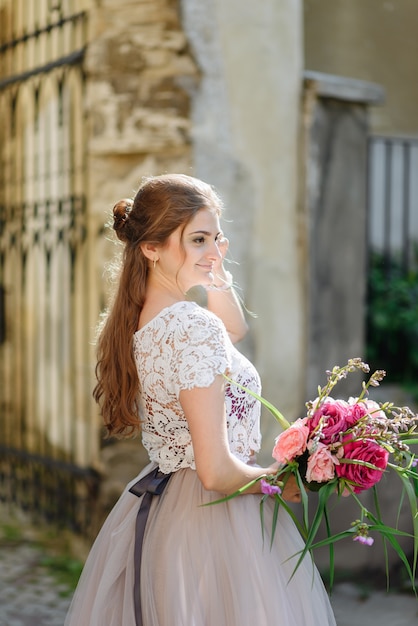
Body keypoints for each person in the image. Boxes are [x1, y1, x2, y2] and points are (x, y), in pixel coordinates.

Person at [65, 174, 336, 625]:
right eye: (196, 239)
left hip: (167, 510)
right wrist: (283, 482)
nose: (213, 249)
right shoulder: (193, 327)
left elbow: (234, 332)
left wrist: (214, 269)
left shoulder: (146, 321)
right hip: (216, 525)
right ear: (151, 247)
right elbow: (216, 471)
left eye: (216, 237)